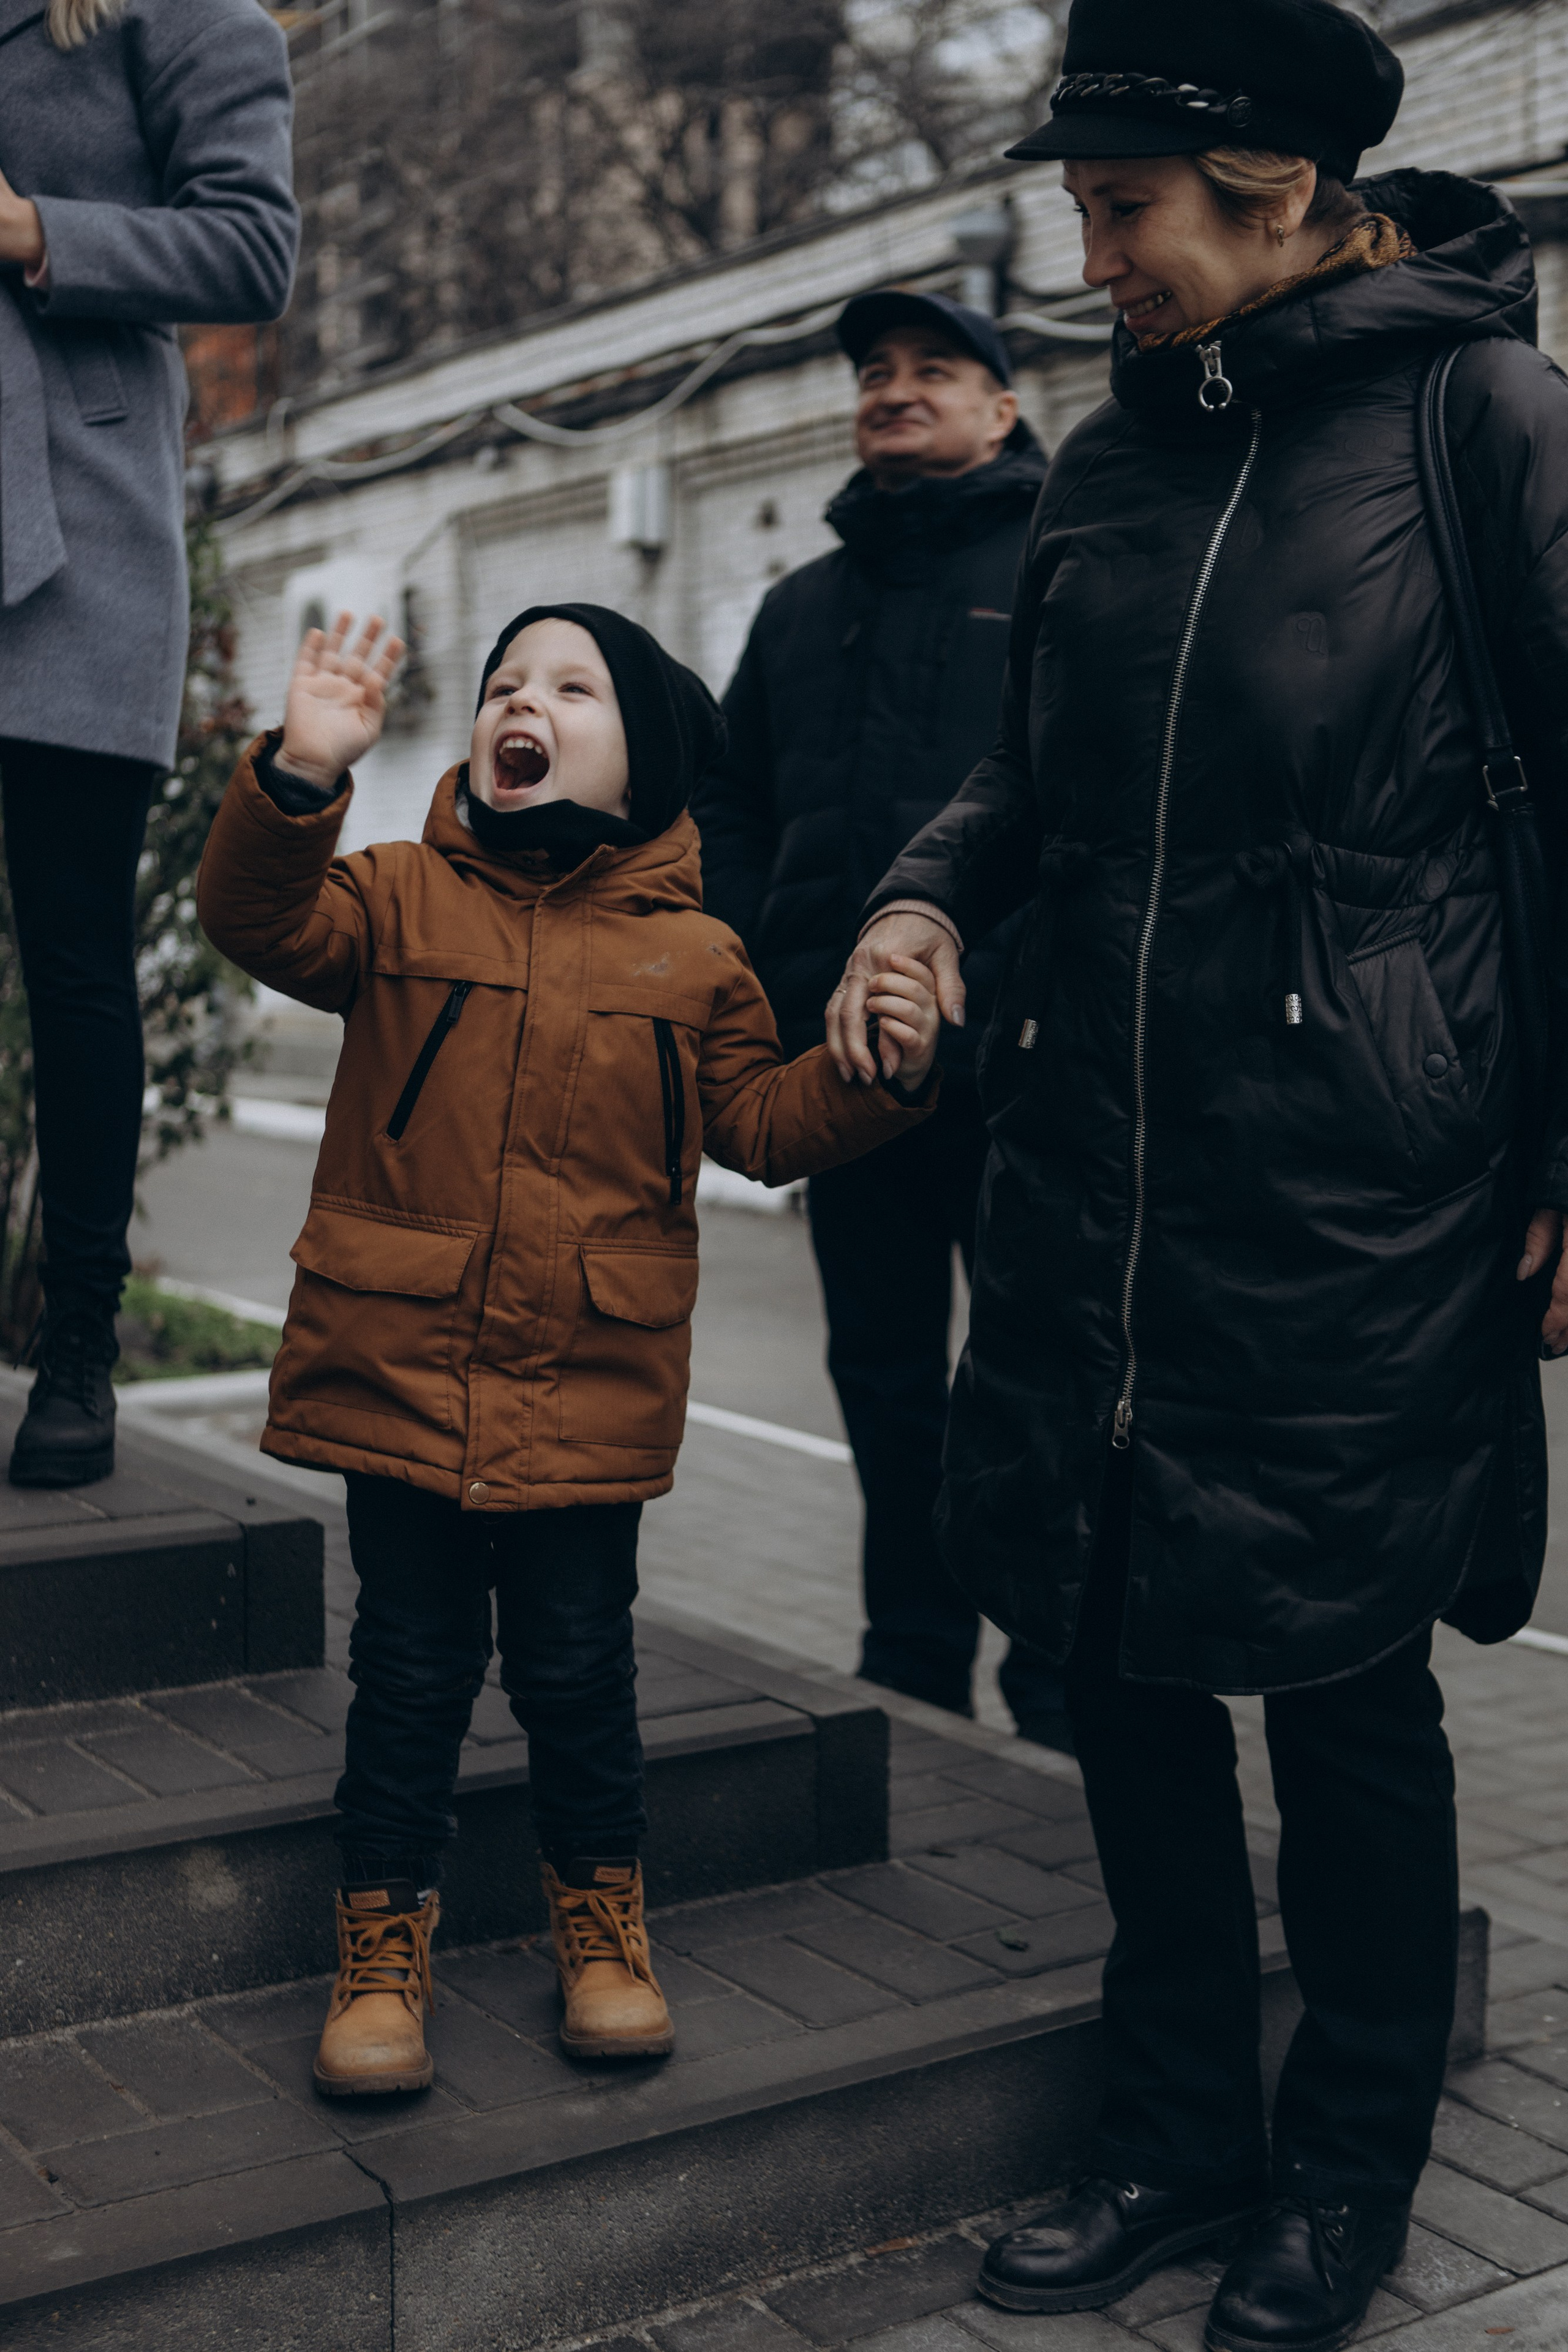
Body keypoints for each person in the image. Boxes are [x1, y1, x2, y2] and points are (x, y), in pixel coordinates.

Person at [827, 0, 1568, 2342]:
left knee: (1340, 1690)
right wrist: (927, 894)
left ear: (1271, 188)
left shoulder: (1485, 422)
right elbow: (1026, 781)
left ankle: (1343, 2182)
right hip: (1091, 1178)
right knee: (1115, 1664)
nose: (1089, 253)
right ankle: (1172, 2139)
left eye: (1119, 207)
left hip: (1360, 1190)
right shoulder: (1119, 464)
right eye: (1073, 203)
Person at [197, 605, 940, 2097]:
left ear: (641, 755)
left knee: (579, 1671)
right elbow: (261, 922)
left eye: (570, 686)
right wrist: (297, 774)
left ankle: (602, 1933)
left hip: (588, 1388)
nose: (521, 702)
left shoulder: (699, 959)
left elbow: (763, 1127)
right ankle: (380, 1951)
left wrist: (880, 1074)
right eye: (503, 686)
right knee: (408, 1670)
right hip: (400, 1372)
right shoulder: (394, 899)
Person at [695, 289, 1068, 1744]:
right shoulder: (801, 606)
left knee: (1030, 1386)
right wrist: (760, 947)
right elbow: (724, 791)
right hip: (840, 1073)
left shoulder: (1054, 563)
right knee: (885, 1377)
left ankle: (1048, 1683)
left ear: (1001, 408)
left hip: (1024, 1065)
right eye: (873, 373)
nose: (893, 391)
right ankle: (909, 1658)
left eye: (932, 371)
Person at [0, 0, 299, 1489]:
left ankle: (77, 1357)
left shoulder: (178, 14)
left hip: (79, 549)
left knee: (70, 957)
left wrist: (32, 227)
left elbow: (253, 247)